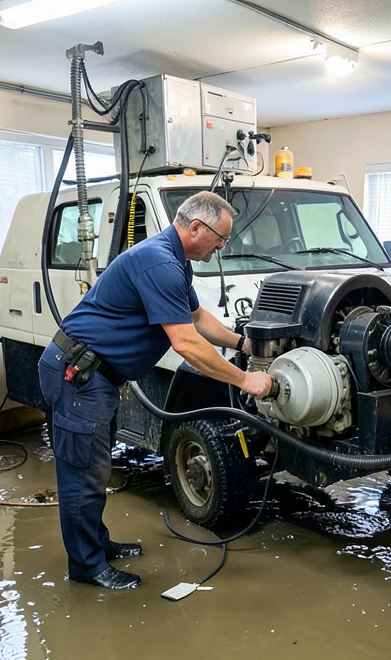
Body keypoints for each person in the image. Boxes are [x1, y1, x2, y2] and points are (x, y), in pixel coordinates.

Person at [38, 191, 273, 591]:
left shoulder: (175, 262)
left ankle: (96, 544)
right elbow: (184, 341)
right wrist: (244, 379)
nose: (220, 248)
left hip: (96, 377)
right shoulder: (160, 261)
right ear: (196, 227)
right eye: (220, 238)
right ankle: (87, 566)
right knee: (84, 476)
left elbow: (196, 316)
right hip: (78, 375)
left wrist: (242, 344)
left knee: (96, 470)